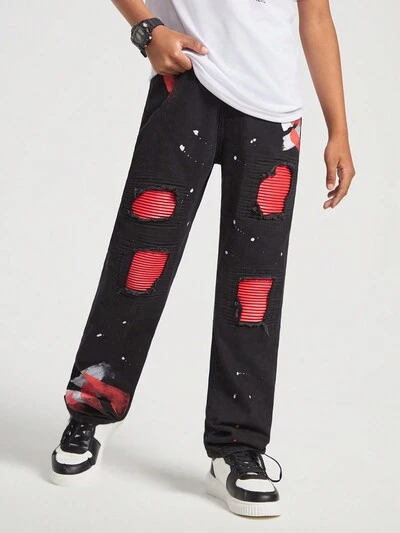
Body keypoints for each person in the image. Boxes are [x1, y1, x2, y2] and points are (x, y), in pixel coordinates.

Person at [50, 0, 356, 517]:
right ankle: (92, 410)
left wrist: (339, 128)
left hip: (274, 111)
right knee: (140, 260)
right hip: (187, 86)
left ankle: (238, 448)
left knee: (253, 289)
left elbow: (317, 18)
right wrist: (147, 29)